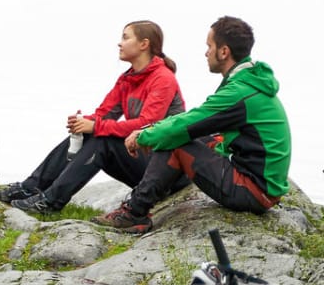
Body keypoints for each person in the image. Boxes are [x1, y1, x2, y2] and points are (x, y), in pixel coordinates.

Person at [96, 15, 290, 233]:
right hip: (260, 185)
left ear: (224, 52)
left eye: (210, 46)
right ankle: (144, 202)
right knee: (189, 137)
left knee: (176, 140)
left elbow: (190, 122)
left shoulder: (240, 92)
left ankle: (135, 212)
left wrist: (145, 134)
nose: (206, 52)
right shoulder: (249, 81)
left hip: (253, 191)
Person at [0, 20, 184, 214]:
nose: (119, 43)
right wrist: (83, 123)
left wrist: (95, 126)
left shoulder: (163, 78)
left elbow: (146, 125)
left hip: (165, 171)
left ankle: (50, 202)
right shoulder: (128, 78)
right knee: (88, 134)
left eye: (125, 38)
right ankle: (30, 188)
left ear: (144, 44)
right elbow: (104, 114)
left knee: (103, 140)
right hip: (143, 159)